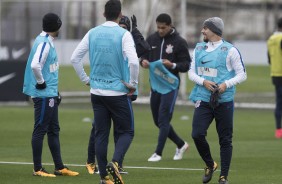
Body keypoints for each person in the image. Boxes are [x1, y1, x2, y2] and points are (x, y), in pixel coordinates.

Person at [71, 0, 139, 183]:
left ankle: (104, 178)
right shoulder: (124, 34)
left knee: (101, 134)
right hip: (117, 93)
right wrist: (133, 83)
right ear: (120, 14)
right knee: (127, 132)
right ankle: (115, 162)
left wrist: (86, 80)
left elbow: (74, 58)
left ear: (103, 14)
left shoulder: (92, 32)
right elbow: (133, 61)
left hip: (97, 93)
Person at [85, 14, 150, 176]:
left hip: (123, 90)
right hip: (112, 89)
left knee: (120, 129)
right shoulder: (112, 39)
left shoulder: (128, 39)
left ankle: (116, 164)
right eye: (119, 26)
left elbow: (144, 48)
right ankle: (91, 161)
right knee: (98, 129)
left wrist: (135, 31)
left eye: (124, 28)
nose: (121, 30)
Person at [188, 17, 247, 184]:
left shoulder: (230, 50)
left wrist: (225, 84)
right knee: (197, 134)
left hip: (224, 101)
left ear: (214, 30)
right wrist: (203, 82)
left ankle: (223, 177)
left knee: (225, 139)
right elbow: (192, 73)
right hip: (203, 99)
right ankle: (210, 164)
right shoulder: (199, 48)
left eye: (205, 28)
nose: (202, 31)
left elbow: (242, 74)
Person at [22, 13, 79, 177]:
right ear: (57, 27)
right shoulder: (44, 43)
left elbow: (47, 69)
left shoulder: (46, 40)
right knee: (40, 129)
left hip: (50, 94)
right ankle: (38, 169)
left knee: (54, 129)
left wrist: (55, 92)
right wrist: (41, 83)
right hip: (44, 95)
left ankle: (59, 167)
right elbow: (35, 65)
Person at [140, 13, 190, 162]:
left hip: (170, 86)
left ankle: (158, 153)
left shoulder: (179, 42)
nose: (160, 30)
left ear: (170, 26)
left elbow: (186, 64)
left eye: (163, 27)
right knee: (158, 121)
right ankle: (181, 144)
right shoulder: (152, 39)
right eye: (158, 27)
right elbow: (144, 55)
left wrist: (172, 65)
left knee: (163, 119)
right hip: (155, 85)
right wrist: (143, 61)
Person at [267, 17, 282, 139]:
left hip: (275, 74)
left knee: (279, 102)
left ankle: (278, 129)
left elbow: (269, 59)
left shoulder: (271, 39)